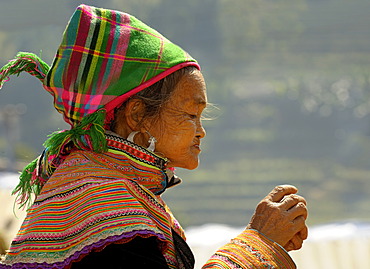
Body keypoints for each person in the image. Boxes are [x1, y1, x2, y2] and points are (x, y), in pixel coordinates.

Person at [0, 4, 308, 269]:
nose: (200, 130)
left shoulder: (103, 188)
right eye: (190, 113)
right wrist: (258, 243)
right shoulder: (106, 206)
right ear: (136, 115)